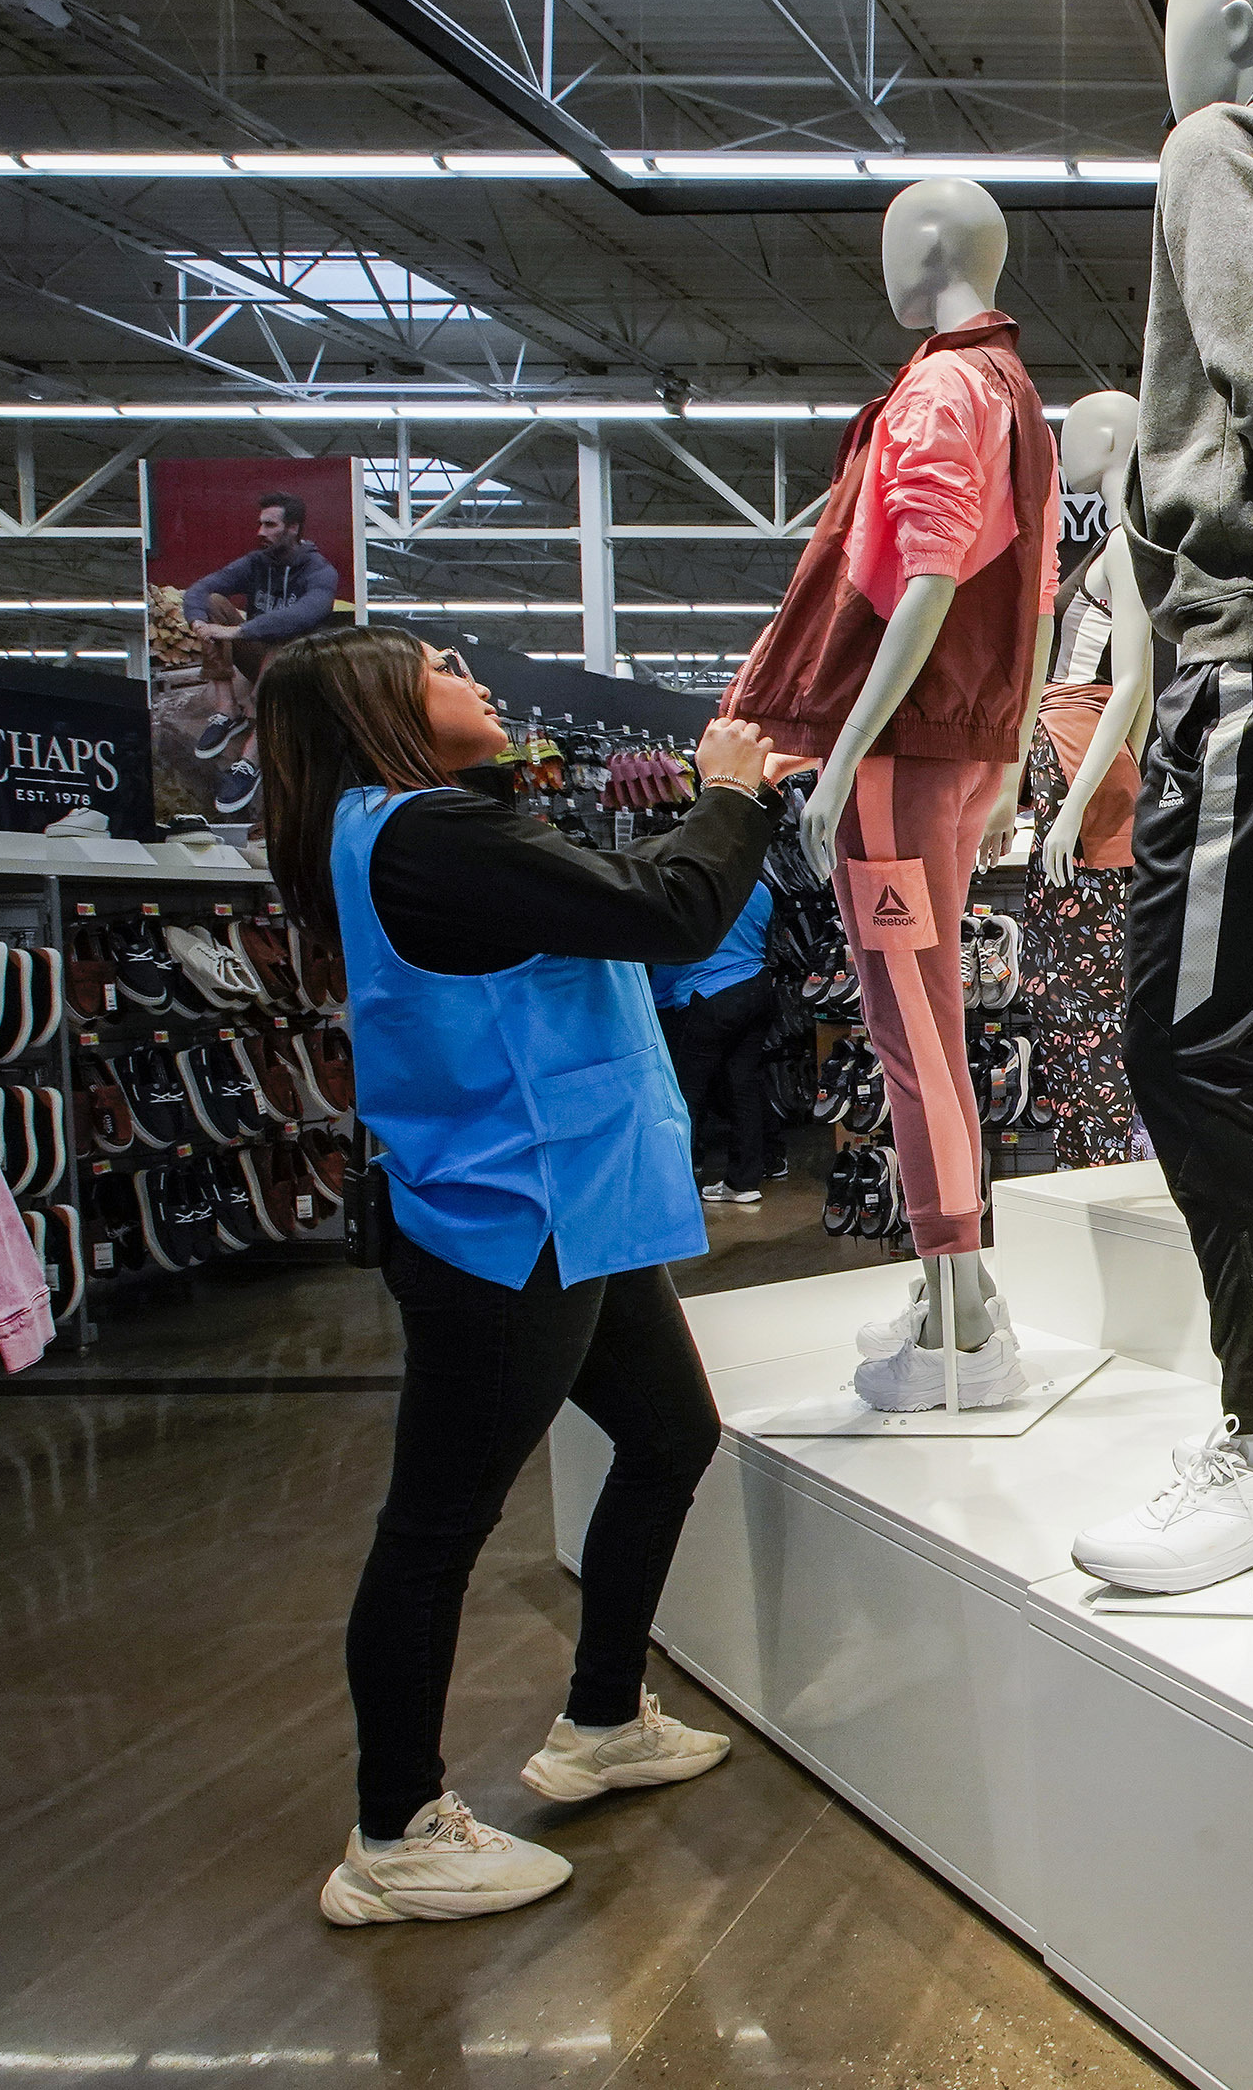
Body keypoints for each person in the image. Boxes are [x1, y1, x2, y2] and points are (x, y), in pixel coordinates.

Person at [253, 623, 796, 1926]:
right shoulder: (428, 840)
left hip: (565, 1197)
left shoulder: (410, 830)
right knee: (436, 1525)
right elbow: (667, 911)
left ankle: (604, 1713)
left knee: (670, 1436)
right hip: (510, 1219)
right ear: (379, 703)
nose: (474, 678)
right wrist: (728, 792)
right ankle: (394, 1831)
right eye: (442, 667)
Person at [183, 492, 344, 812]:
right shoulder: (256, 563)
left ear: (293, 528)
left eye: (270, 525)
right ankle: (227, 710)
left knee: (286, 639)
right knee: (213, 603)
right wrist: (199, 622)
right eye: (260, 524)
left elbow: (307, 613)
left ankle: (249, 761)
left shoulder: (319, 570)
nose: (260, 532)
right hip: (259, 656)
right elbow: (200, 589)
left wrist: (239, 630)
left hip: (297, 669)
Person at [654, 876, 781, 1205]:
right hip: (757, 985)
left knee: (686, 1095)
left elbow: (671, 960)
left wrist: (658, 1002)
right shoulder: (759, 888)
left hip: (711, 994)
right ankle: (744, 1181)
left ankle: (676, 1186)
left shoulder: (692, 888)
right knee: (744, 1086)